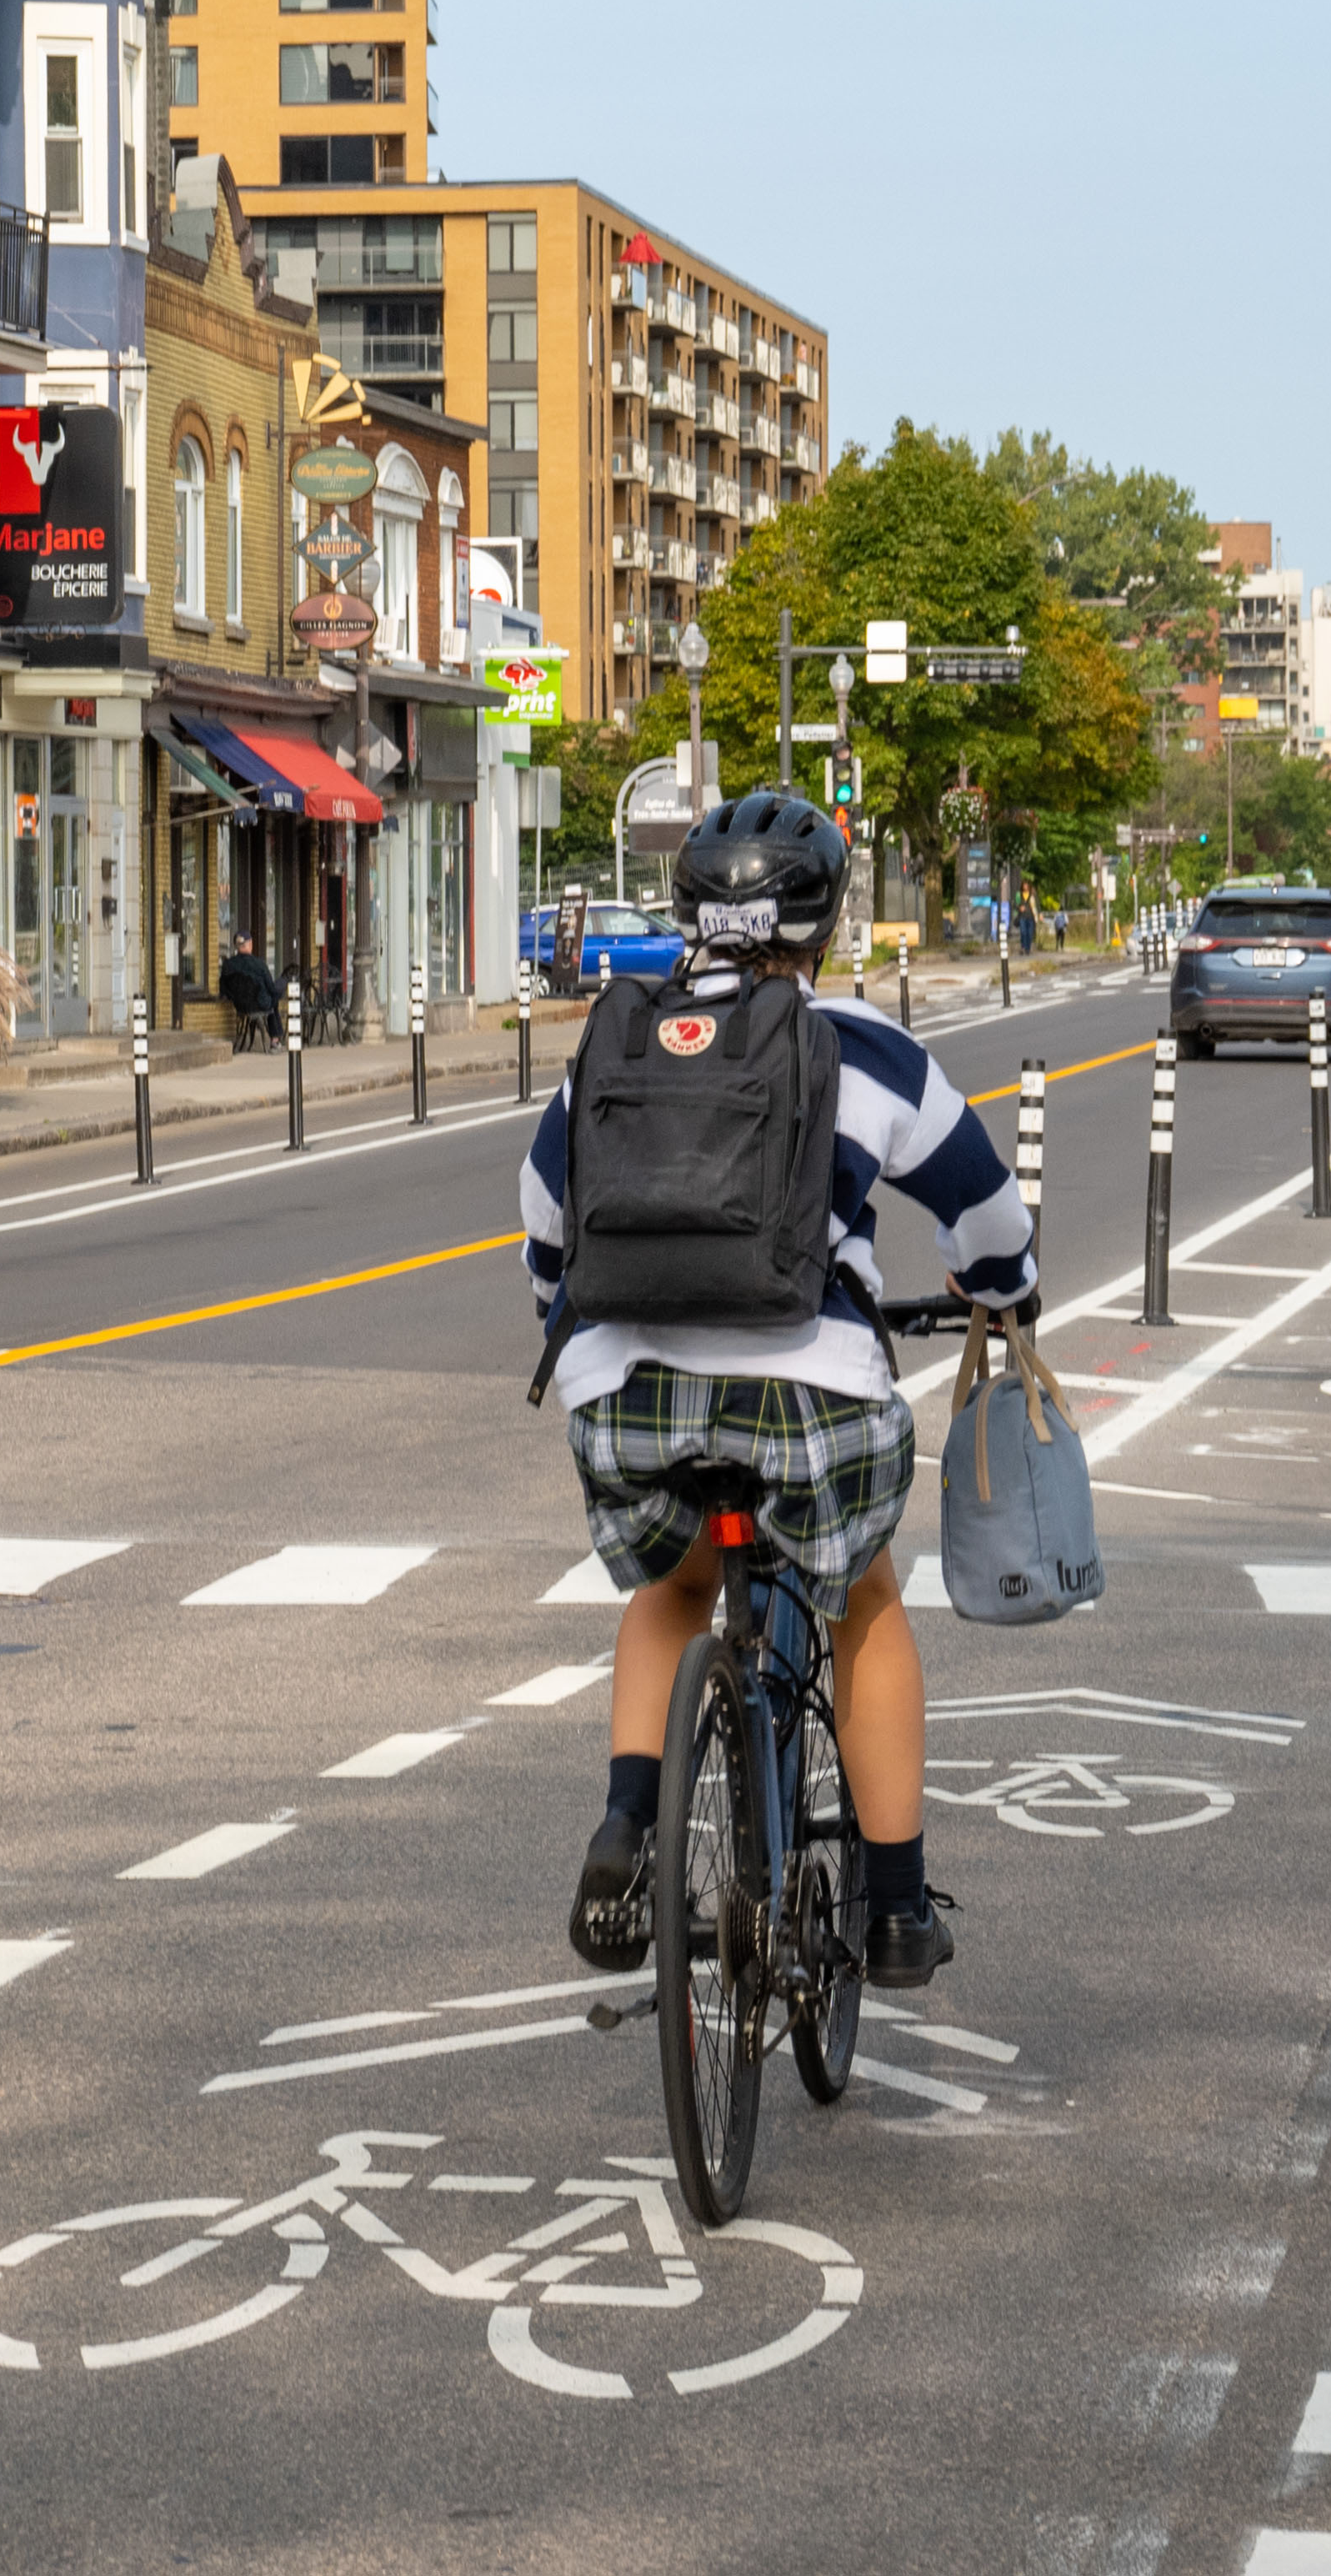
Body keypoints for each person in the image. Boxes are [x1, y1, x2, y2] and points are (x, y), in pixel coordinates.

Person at [528, 790, 1041, 1994]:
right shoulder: (863, 1045)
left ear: (689, 911)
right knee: (861, 1596)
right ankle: (901, 1903)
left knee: (674, 1586)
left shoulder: (615, 1040)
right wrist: (999, 1292)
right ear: (824, 919)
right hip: (810, 1392)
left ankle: (624, 1827)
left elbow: (544, 1230)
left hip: (626, 1387)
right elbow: (983, 1210)